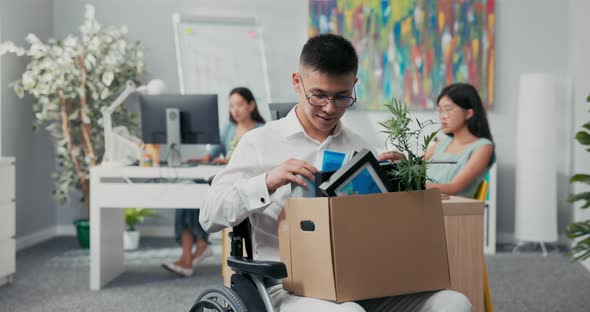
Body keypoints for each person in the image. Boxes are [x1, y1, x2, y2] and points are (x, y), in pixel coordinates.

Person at [200, 34, 471, 311]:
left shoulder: (361, 147)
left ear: (354, 85)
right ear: (297, 82)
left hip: (362, 279)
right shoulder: (259, 142)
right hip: (288, 285)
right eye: (318, 95)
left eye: (342, 97)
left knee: (453, 303)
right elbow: (209, 217)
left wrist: (400, 182)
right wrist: (268, 181)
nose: (330, 108)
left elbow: (382, 228)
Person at [162, 87, 265, 277]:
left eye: (240, 104)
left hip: (240, 184)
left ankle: (198, 249)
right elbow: (214, 152)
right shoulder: (227, 128)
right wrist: (203, 159)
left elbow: (260, 163)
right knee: (187, 191)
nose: (235, 109)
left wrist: (230, 160)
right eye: (232, 105)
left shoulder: (261, 130)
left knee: (198, 195)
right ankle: (189, 255)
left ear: (251, 105)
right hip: (220, 179)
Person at [424, 83, 494, 198]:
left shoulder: (483, 147)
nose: (442, 116)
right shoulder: (440, 144)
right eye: (440, 110)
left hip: (452, 212)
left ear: (468, 113)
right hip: (425, 204)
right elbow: (413, 168)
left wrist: (415, 187)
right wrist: (400, 159)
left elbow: (454, 188)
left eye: (448, 109)